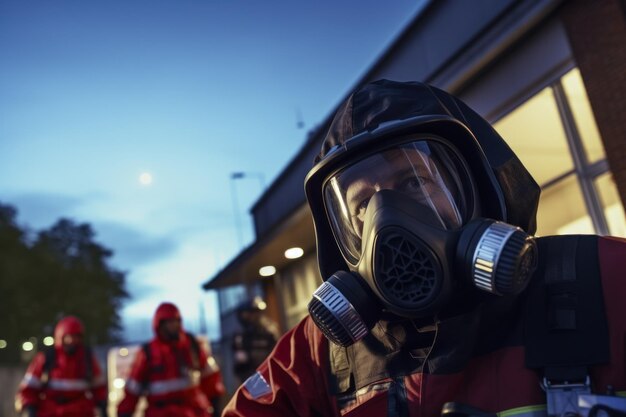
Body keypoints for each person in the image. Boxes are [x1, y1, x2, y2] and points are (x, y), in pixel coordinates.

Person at [223, 80, 626, 417]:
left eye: (414, 183)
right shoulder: (323, 352)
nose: (388, 222)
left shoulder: (607, 282)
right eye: (363, 205)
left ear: (484, 187)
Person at [117, 302, 225, 417]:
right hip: (160, 413)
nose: (175, 325)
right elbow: (132, 390)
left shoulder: (192, 346)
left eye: (177, 321)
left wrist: (216, 407)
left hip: (193, 411)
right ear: (160, 325)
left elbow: (211, 379)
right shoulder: (148, 352)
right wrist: (125, 413)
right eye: (170, 322)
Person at [15, 315, 108, 417]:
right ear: (60, 337)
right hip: (50, 412)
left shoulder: (87, 358)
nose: (72, 341)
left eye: (76, 337)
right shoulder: (46, 358)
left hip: (81, 412)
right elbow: (29, 389)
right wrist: (29, 408)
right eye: (69, 337)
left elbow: (99, 388)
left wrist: (103, 406)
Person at [231, 299, 279, 384]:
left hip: (269, 376)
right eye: (251, 313)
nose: (255, 316)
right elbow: (238, 363)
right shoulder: (240, 336)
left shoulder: (269, 331)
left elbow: (278, 354)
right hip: (249, 379)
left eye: (257, 312)